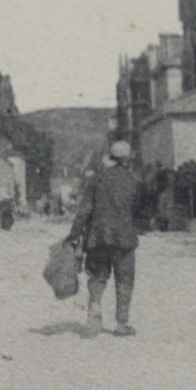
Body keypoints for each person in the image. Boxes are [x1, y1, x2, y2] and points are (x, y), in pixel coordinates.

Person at [67, 141, 140, 337]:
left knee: (97, 277)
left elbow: (84, 211)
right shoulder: (133, 180)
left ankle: (94, 317)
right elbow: (139, 210)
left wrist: (73, 235)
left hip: (98, 237)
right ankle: (122, 324)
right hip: (125, 239)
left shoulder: (96, 180)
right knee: (125, 280)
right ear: (127, 160)